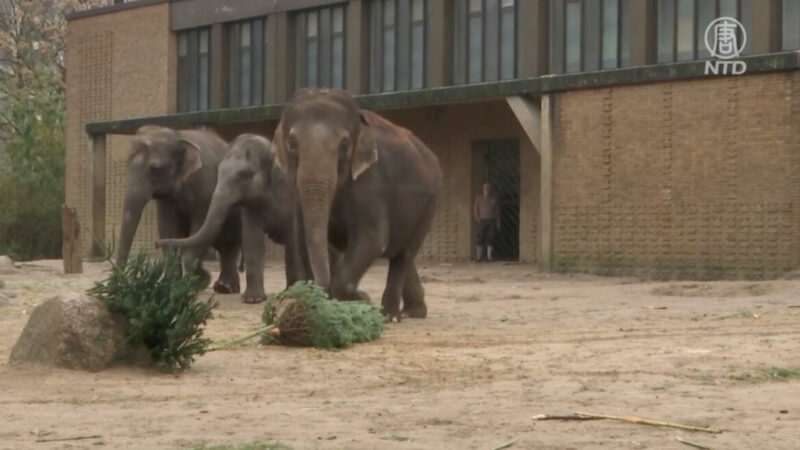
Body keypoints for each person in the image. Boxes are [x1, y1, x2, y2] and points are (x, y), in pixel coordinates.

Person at [473, 182, 500, 262]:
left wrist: (498, 221)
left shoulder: (494, 198)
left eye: (488, 188)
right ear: (483, 189)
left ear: (490, 189)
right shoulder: (479, 198)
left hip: (492, 220)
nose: (487, 189)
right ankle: (479, 257)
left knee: (491, 238)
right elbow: (475, 208)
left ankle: (489, 257)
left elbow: (497, 210)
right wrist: (477, 217)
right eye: (485, 188)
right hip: (482, 220)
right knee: (480, 237)